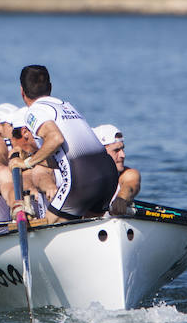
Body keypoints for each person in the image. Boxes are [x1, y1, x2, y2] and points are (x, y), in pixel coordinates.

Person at [12, 64, 118, 223]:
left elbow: (55, 139)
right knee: (89, 228)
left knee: (51, 224)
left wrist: (26, 163)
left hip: (81, 179)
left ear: (22, 91)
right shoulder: (67, 106)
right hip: (109, 175)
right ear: (50, 87)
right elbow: (63, 157)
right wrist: (35, 159)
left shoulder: (34, 110)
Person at [93, 123, 140, 216]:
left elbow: (130, 186)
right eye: (116, 151)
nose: (123, 155)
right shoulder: (83, 175)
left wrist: (121, 199)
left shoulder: (128, 173)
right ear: (100, 152)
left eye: (122, 149)